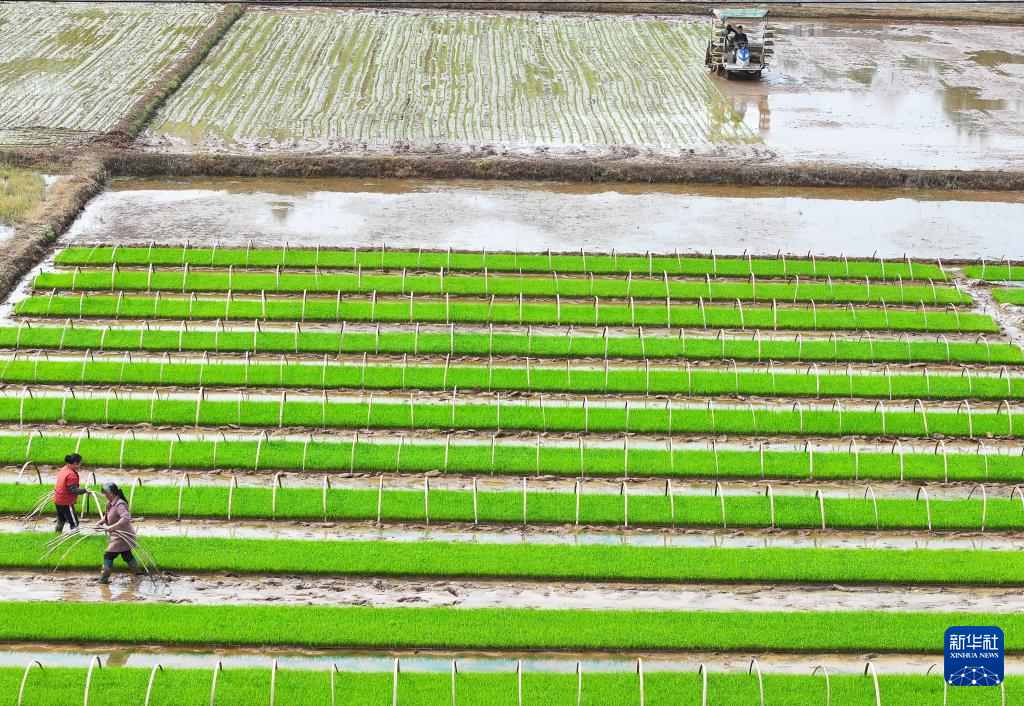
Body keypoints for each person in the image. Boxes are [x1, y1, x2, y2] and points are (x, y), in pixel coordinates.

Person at [91, 482, 142, 584]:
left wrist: (111, 527)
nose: (105, 496)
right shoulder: (110, 503)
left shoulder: (120, 504)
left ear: (112, 493)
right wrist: (98, 523)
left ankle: (103, 580)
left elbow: (126, 518)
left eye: (106, 493)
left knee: (108, 555)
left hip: (122, 535)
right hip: (117, 534)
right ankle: (139, 573)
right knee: (126, 554)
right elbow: (107, 517)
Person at [54, 453, 88, 532]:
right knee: (74, 522)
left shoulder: (64, 468)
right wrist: (85, 490)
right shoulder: (71, 474)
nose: (80, 465)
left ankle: (57, 533)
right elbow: (73, 490)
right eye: (80, 463)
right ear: (75, 463)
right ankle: (75, 537)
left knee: (61, 519)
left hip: (58, 500)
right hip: (65, 502)